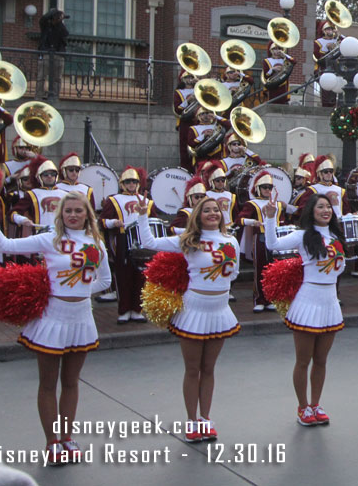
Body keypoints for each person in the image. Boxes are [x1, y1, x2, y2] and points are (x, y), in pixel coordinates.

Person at [0, 189, 110, 465]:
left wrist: (81, 292)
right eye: (68, 211)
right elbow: (4, 246)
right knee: (48, 383)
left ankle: (67, 438)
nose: (73, 215)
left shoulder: (96, 243)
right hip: (52, 318)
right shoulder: (50, 238)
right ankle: (52, 443)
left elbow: (105, 280)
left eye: (78, 210)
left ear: (87, 215)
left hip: (82, 318)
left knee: (71, 383)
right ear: (61, 214)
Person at [135, 197, 240, 442]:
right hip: (194, 310)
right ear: (198, 215)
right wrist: (142, 215)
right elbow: (148, 242)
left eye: (216, 210)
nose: (213, 213)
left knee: (209, 368)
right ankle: (192, 420)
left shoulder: (230, 240)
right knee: (193, 369)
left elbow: (232, 273)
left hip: (220, 309)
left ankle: (205, 418)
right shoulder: (188, 240)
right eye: (207, 210)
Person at [263, 193, 346, 426]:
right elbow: (273, 245)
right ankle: (303, 407)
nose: (325, 210)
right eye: (320, 207)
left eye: (328, 207)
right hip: (308, 301)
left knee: (321, 360)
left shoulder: (336, 236)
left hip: (330, 301)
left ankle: (316, 404)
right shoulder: (303, 236)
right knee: (303, 360)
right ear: (312, 211)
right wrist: (271, 218)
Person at [99, 167, 155, 323]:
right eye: (128, 181)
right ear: (122, 184)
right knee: (123, 277)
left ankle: (137, 310)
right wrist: (113, 222)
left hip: (142, 240)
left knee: (141, 277)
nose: (131, 184)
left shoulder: (147, 201)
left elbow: (154, 220)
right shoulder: (113, 200)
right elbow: (102, 221)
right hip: (122, 240)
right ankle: (124, 310)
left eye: (134, 181)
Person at [237, 170, 294, 312]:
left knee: (276, 269)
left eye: (270, 187)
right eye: (264, 187)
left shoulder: (278, 204)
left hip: (277, 238)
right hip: (260, 238)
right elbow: (240, 219)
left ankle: (271, 298)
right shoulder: (252, 204)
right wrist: (253, 222)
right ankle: (259, 299)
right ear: (257, 188)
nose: (267, 190)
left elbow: (288, 217)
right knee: (260, 269)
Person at [36, 8, 69, 102]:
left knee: (57, 78)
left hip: (59, 54)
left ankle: (55, 96)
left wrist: (60, 21)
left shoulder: (61, 27)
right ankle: (39, 96)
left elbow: (65, 34)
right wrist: (54, 13)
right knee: (41, 76)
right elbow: (43, 19)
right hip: (46, 53)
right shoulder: (45, 25)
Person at [312, 20, 340, 107]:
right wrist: (328, 48)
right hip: (324, 70)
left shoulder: (337, 40)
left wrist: (339, 34)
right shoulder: (318, 42)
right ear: (323, 31)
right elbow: (317, 56)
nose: (330, 31)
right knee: (326, 94)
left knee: (334, 93)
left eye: (332, 29)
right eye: (328, 29)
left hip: (336, 69)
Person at [261, 41, 295, 105]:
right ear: (271, 50)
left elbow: (293, 61)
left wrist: (284, 55)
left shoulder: (284, 60)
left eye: (279, 49)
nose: (277, 51)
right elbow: (266, 75)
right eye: (274, 49)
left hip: (283, 84)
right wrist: (272, 69)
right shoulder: (267, 61)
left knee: (283, 102)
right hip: (273, 85)